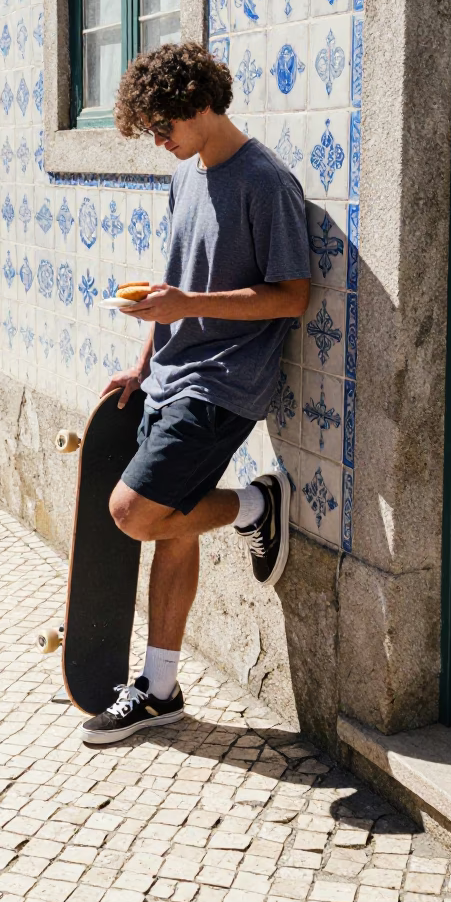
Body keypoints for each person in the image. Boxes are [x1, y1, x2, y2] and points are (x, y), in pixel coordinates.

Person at [81, 42, 311, 746]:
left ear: (199, 105)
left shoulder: (265, 182)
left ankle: (255, 503)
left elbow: (291, 297)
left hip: (223, 384)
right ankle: (159, 688)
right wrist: (145, 361)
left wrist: (186, 306)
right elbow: (176, 284)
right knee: (172, 523)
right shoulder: (187, 177)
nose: (158, 141)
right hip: (174, 377)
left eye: (162, 126)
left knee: (133, 513)